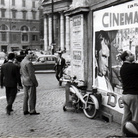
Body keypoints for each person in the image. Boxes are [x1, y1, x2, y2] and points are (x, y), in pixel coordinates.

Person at [120, 50, 138, 136]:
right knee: (135, 118)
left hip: (125, 95)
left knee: (126, 117)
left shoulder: (123, 68)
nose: (133, 55)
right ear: (126, 57)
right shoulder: (133, 67)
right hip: (133, 96)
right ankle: (135, 135)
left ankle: (123, 134)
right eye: (131, 55)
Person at [20, 49, 40, 115]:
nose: (32, 54)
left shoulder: (22, 61)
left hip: (24, 80)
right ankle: (32, 110)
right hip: (30, 81)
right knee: (32, 96)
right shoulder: (29, 63)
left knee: (26, 96)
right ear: (26, 54)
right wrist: (35, 82)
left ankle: (25, 110)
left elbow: (21, 72)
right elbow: (31, 74)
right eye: (30, 53)